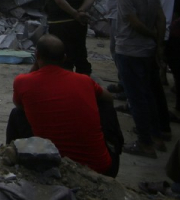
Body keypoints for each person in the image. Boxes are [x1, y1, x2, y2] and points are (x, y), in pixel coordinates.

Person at [9, 35, 120, 177]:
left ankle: (13, 162)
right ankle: (110, 147)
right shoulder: (84, 81)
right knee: (106, 107)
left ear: (37, 56)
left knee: (17, 114)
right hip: (102, 168)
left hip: (53, 165)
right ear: (64, 58)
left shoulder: (23, 81)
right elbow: (109, 98)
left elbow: (20, 105)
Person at [111, 0, 170, 158]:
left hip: (129, 49)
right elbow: (161, 17)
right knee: (149, 93)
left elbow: (133, 21)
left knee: (136, 98)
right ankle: (157, 136)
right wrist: (158, 42)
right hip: (147, 50)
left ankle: (145, 143)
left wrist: (151, 35)